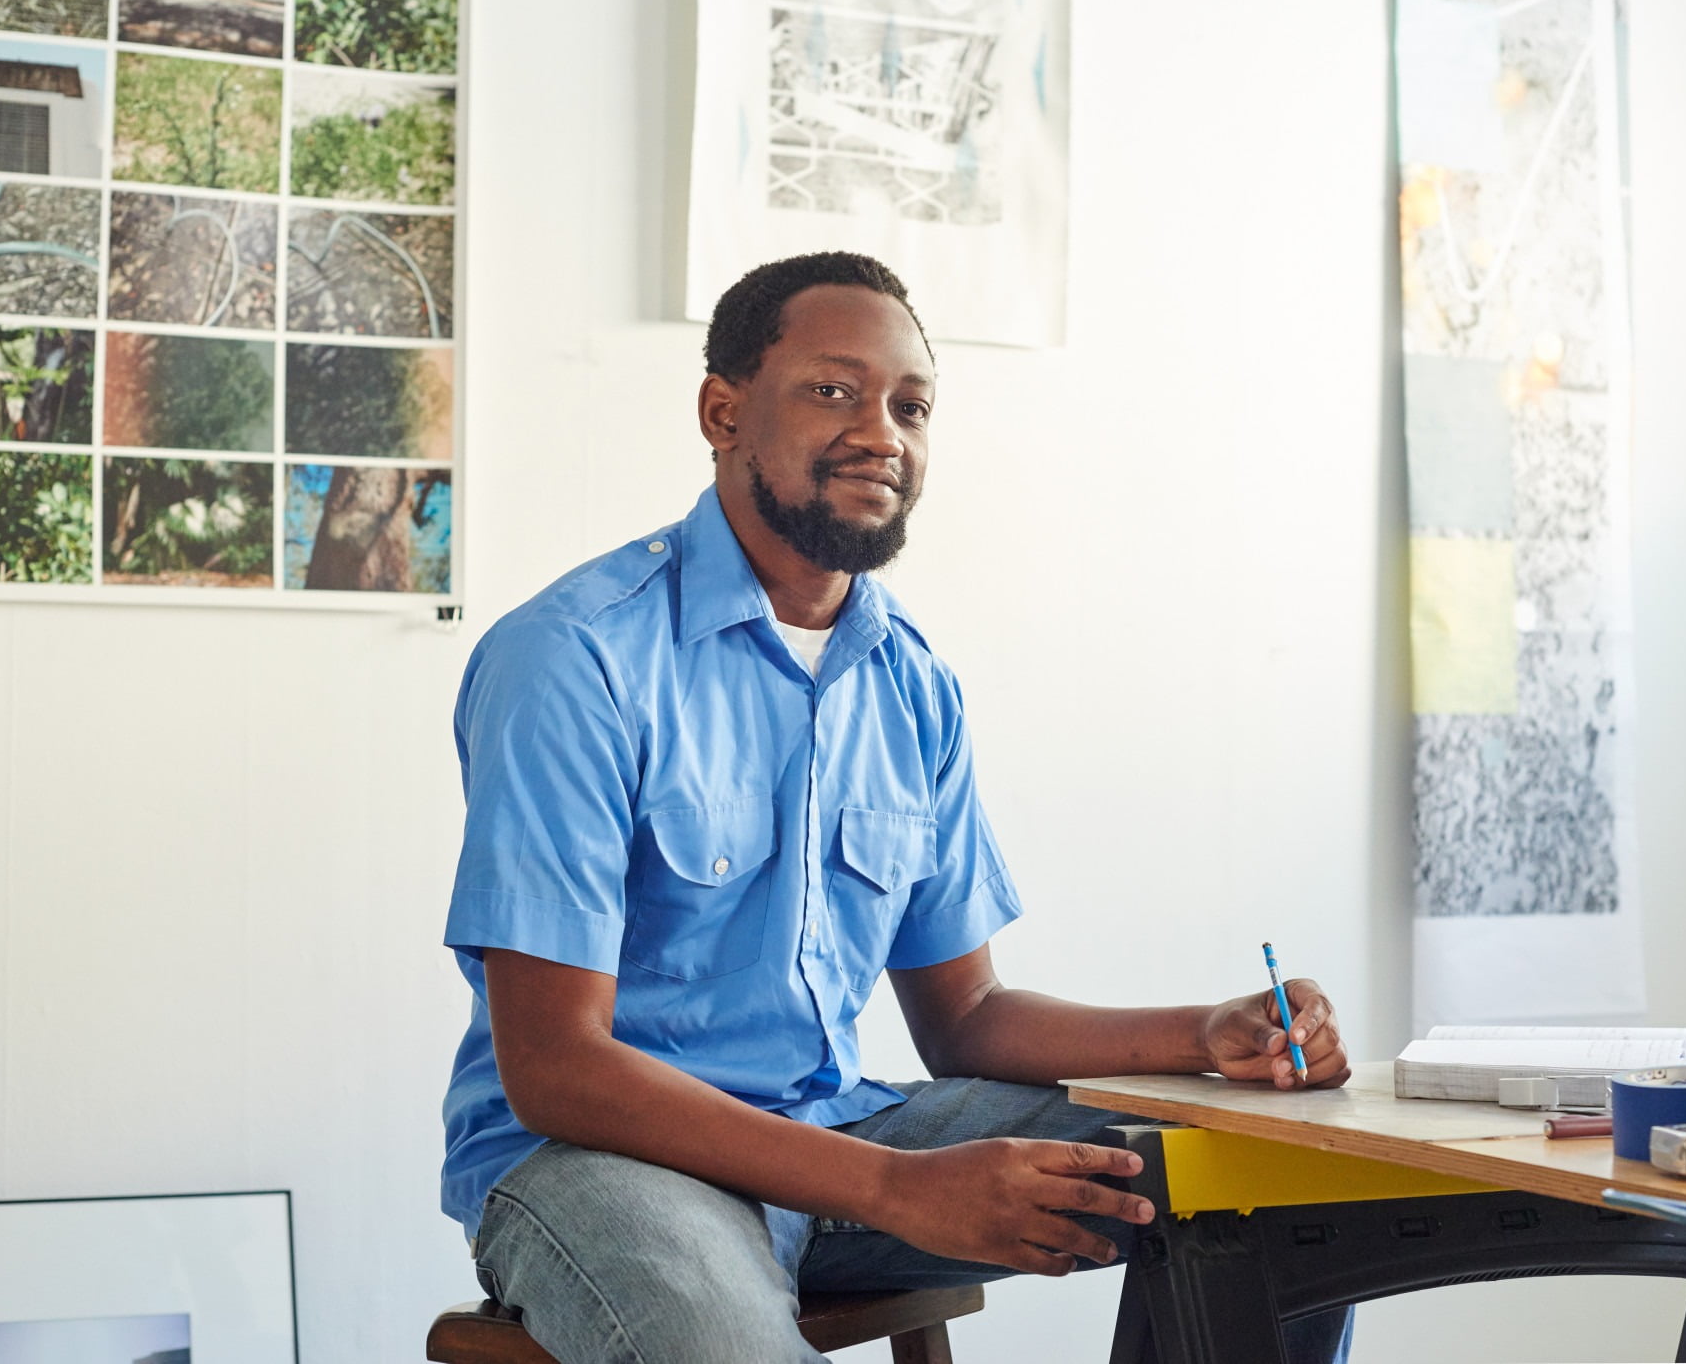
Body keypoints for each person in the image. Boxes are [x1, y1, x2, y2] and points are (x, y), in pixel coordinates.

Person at [440, 252, 1354, 1363]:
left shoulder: (908, 680)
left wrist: (1201, 1034)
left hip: (837, 1128)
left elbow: (966, 1016)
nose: (883, 431)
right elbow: (557, 1065)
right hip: (604, 1164)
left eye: (910, 405)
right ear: (721, 411)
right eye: (833, 389)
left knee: (1281, 1181)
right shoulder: (572, 657)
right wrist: (896, 1185)